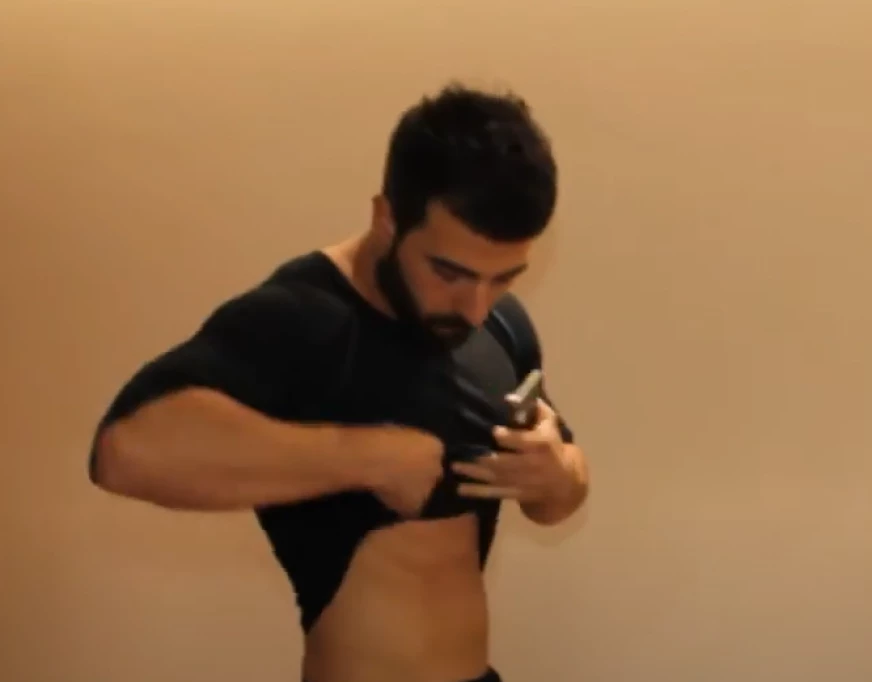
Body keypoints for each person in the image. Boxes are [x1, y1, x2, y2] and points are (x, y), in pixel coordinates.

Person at [87, 82, 590, 682]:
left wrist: (557, 474)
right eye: (449, 272)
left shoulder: (500, 326)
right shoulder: (304, 318)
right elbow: (125, 452)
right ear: (387, 220)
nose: (477, 305)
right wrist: (370, 457)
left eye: (503, 278)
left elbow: (558, 501)